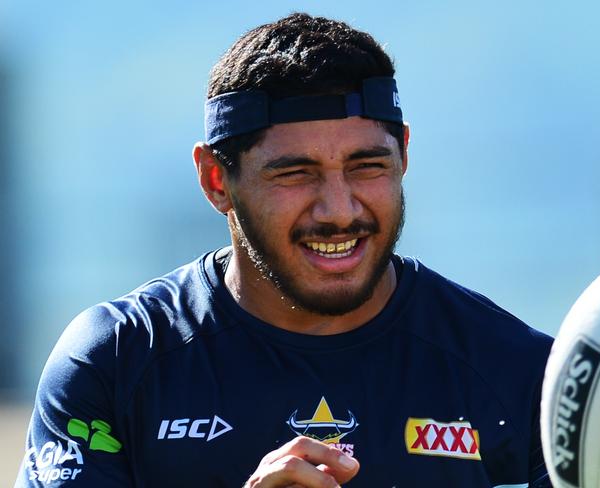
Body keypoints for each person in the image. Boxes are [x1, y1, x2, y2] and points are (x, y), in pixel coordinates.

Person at [16, 13, 553, 488]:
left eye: (367, 166)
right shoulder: (115, 360)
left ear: (404, 155)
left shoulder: (526, 375)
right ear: (216, 181)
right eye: (294, 173)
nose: (339, 209)